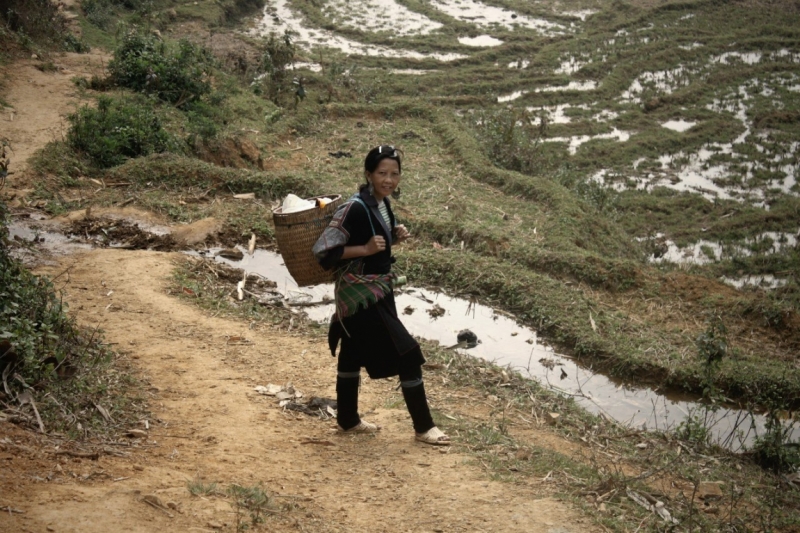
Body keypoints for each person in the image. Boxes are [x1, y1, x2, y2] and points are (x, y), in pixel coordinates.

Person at [312, 145, 450, 445]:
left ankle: (347, 420)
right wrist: (365, 249)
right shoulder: (355, 207)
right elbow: (324, 251)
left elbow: (376, 242)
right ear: (368, 174)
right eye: (382, 173)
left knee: (351, 351)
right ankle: (424, 427)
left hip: (379, 290)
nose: (389, 179)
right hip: (362, 294)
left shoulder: (381, 205)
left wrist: (393, 238)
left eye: (394, 174)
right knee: (407, 352)